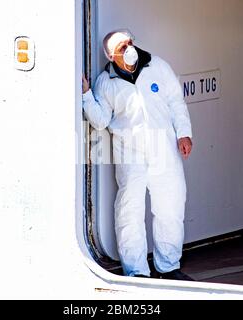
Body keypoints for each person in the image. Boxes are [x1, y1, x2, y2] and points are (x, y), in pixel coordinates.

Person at [82, 29, 194, 281]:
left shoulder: (157, 66)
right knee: (129, 211)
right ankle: (137, 272)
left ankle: (169, 267)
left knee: (170, 207)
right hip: (130, 154)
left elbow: (176, 101)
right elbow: (100, 121)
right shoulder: (106, 82)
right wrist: (86, 95)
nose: (129, 49)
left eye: (130, 43)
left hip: (163, 149)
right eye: (122, 48)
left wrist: (183, 133)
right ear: (111, 57)